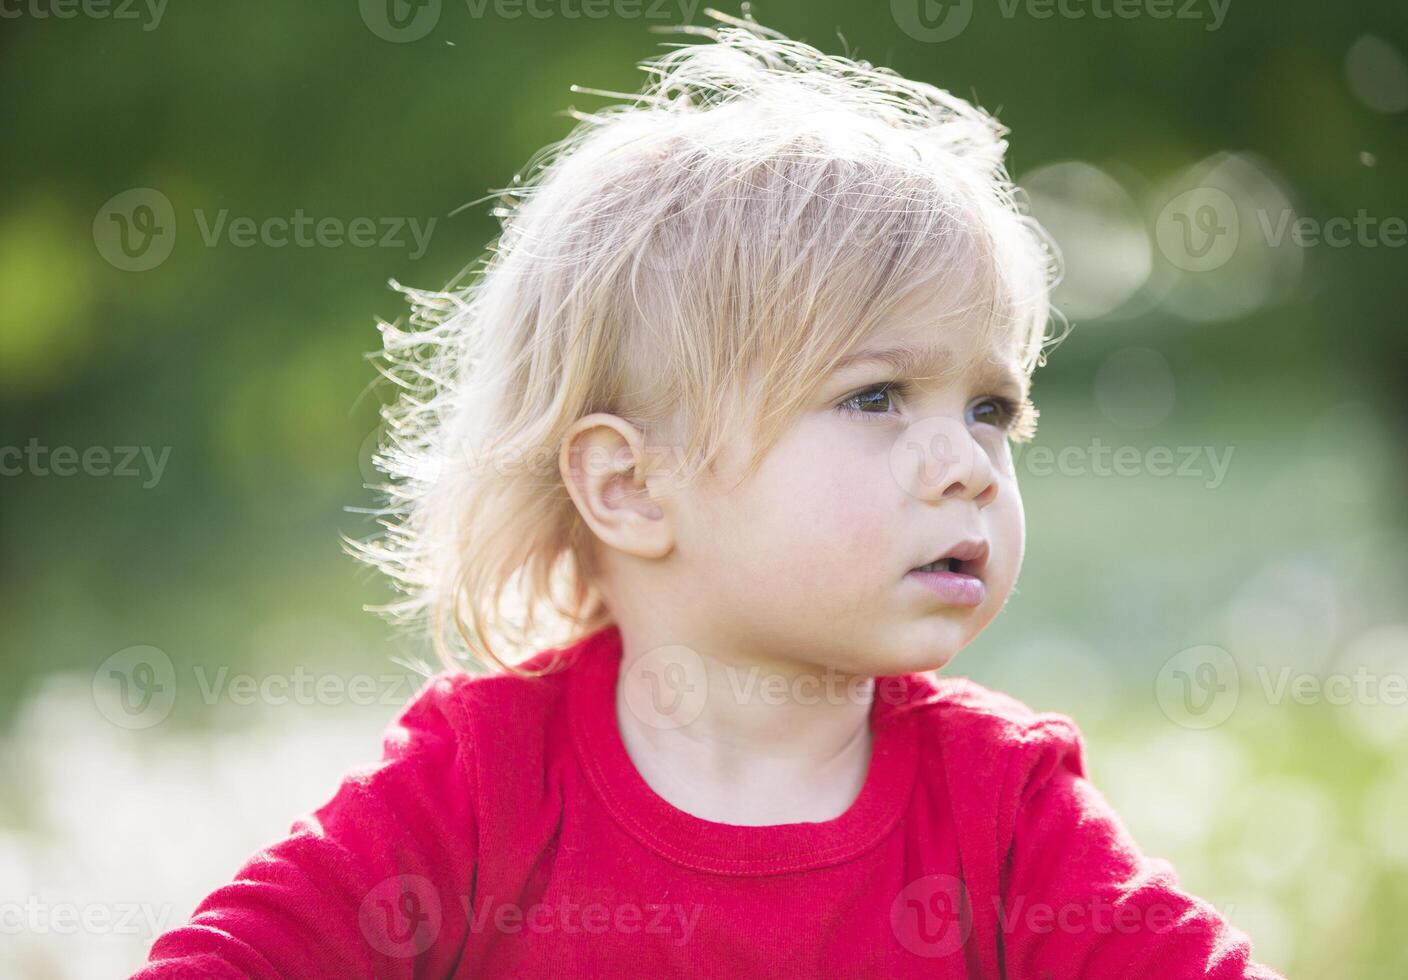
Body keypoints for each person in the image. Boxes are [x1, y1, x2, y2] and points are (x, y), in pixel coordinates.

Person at [134, 8, 1284, 977]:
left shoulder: (999, 811)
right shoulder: (481, 783)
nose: (969, 463)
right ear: (631, 485)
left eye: (991, 407)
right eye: (878, 396)